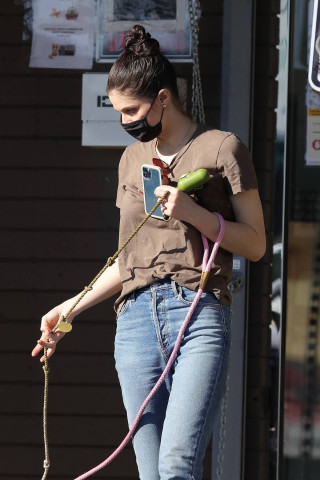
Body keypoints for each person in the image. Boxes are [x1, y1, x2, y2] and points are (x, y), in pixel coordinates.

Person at [32, 25, 266, 480]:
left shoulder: (222, 148)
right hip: (136, 319)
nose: (126, 123)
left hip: (195, 313)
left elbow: (255, 243)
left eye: (132, 111)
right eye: (119, 113)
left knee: (177, 464)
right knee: (150, 472)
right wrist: (68, 310)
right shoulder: (131, 159)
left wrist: (194, 214)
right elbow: (129, 259)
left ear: (163, 98)